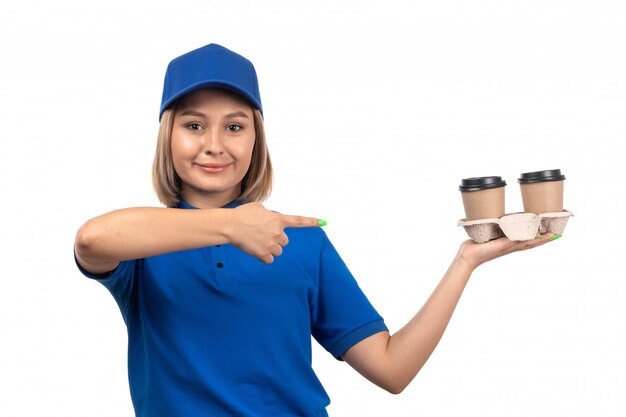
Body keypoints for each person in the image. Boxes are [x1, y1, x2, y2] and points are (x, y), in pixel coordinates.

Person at [74, 43, 560, 417]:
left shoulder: (302, 242)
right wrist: (228, 225)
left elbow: (392, 370)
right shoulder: (145, 245)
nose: (215, 144)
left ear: (257, 138)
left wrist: (465, 261)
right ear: (169, 135)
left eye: (235, 126)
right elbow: (92, 240)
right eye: (195, 126)